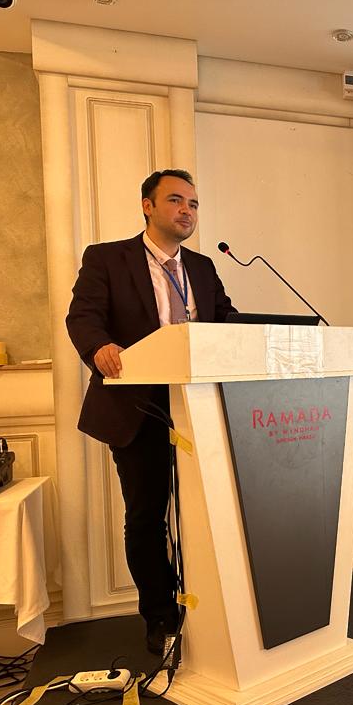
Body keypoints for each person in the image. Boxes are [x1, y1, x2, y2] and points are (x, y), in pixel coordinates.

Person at [66, 169, 236, 655]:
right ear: (148, 206)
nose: (187, 211)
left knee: (209, 511)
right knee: (147, 517)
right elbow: (83, 316)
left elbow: (226, 319)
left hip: (199, 405)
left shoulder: (202, 266)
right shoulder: (107, 258)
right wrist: (98, 347)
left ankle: (213, 608)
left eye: (194, 204)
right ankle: (160, 616)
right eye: (176, 200)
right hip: (138, 406)